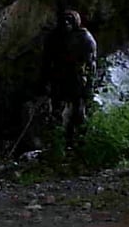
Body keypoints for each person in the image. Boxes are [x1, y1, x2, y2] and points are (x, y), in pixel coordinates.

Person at [42, 8, 98, 147]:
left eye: (70, 20)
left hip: (76, 77)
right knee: (56, 110)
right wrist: (45, 80)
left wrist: (89, 86)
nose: (66, 23)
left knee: (78, 110)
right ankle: (56, 141)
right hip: (59, 76)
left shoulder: (84, 38)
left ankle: (77, 140)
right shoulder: (54, 37)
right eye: (64, 20)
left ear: (76, 23)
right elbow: (46, 60)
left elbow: (91, 65)